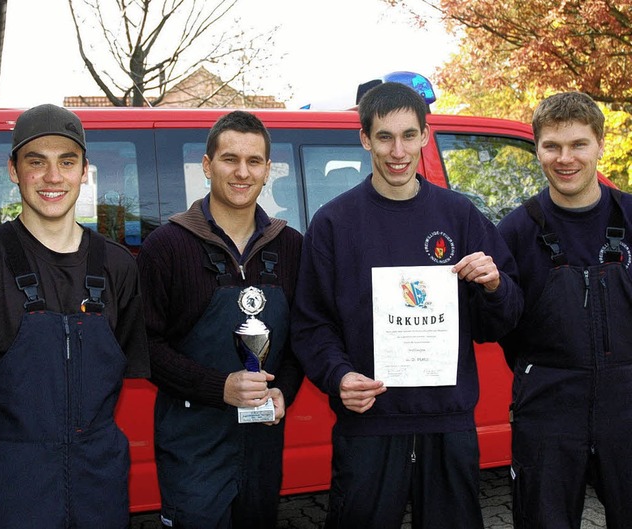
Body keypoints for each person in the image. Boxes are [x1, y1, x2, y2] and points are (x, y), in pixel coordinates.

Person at [290, 81, 523, 529]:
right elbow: (311, 324)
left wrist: (494, 286)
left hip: (448, 424)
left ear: (424, 135)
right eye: (384, 137)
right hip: (370, 425)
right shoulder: (334, 223)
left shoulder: (460, 215)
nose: (398, 150)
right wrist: (338, 376)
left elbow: (501, 320)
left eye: (408, 135)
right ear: (364, 139)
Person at [136, 110, 304, 528]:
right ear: (208, 166)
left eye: (254, 161)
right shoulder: (168, 246)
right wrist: (220, 387)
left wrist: (283, 390)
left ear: (268, 170)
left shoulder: (290, 246)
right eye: (230, 159)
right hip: (193, 444)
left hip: (262, 442)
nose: (242, 172)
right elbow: (145, 347)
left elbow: (303, 340)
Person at [0, 104, 150, 527]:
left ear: (84, 171)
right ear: (12, 170)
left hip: (100, 486)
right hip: (11, 488)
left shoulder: (117, 266)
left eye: (67, 161)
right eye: (35, 162)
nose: (52, 177)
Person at [497, 92, 632, 529]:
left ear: (600, 145)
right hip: (547, 408)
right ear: (536, 148)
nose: (565, 158)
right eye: (552, 146)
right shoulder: (515, 231)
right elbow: (501, 327)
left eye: (578, 144)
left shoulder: (631, 217)